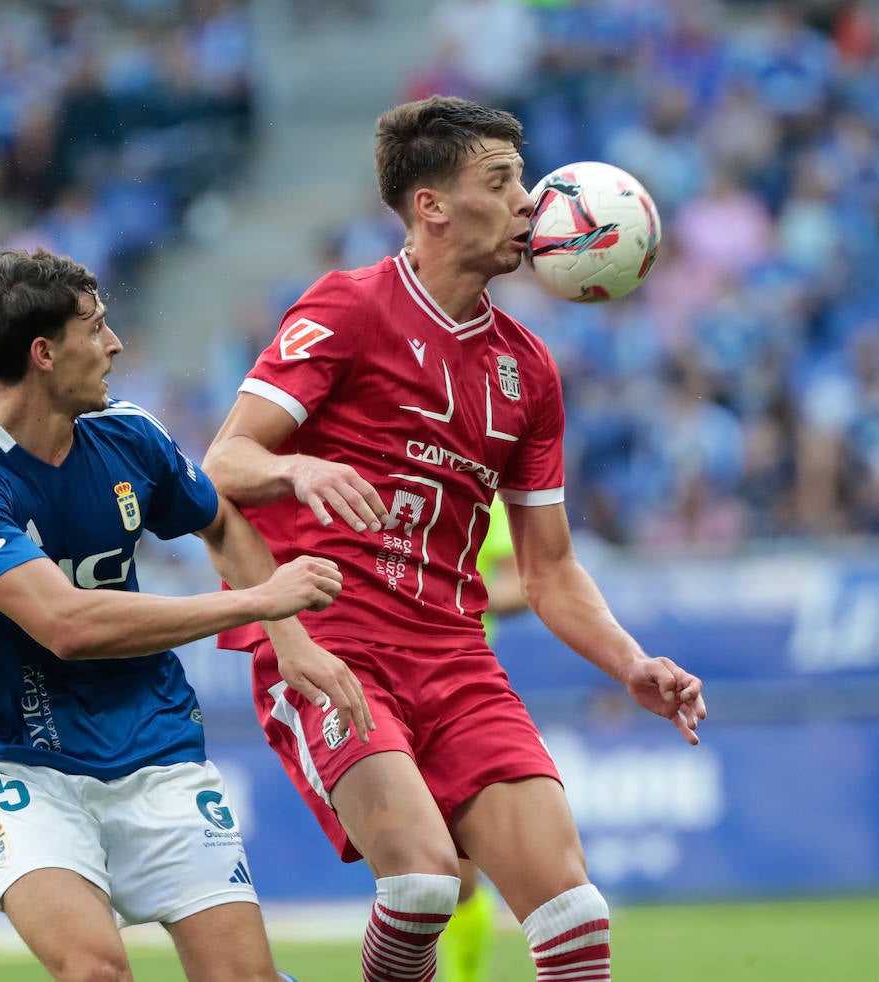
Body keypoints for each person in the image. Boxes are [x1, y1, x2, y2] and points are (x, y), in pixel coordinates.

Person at [202, 95, 707, 982]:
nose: (530, 203)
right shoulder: (349, 308)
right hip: (331, 643)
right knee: (425, 887)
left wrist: (631, 663)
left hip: (454, 653)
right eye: (503, 181)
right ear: (431, 204)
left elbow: (550, 571)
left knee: (575, 915)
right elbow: (222, 464)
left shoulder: (529, 371)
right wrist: (300, 471)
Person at [0, 247, 374, 982]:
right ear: (45, 353)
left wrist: (292, 641)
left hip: (152, 745)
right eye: (96, 327)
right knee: (96, 971)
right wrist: (254, 602)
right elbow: (68, 624)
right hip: (14, 753)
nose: (114, 344)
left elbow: (221, 524)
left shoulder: (131, 436)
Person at [438, 495, 522, 982]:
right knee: (420, 877)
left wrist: (441, 587)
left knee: (455, 876)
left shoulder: (478, 493)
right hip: (378, 683)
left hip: (461, 690)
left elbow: (524, 583)